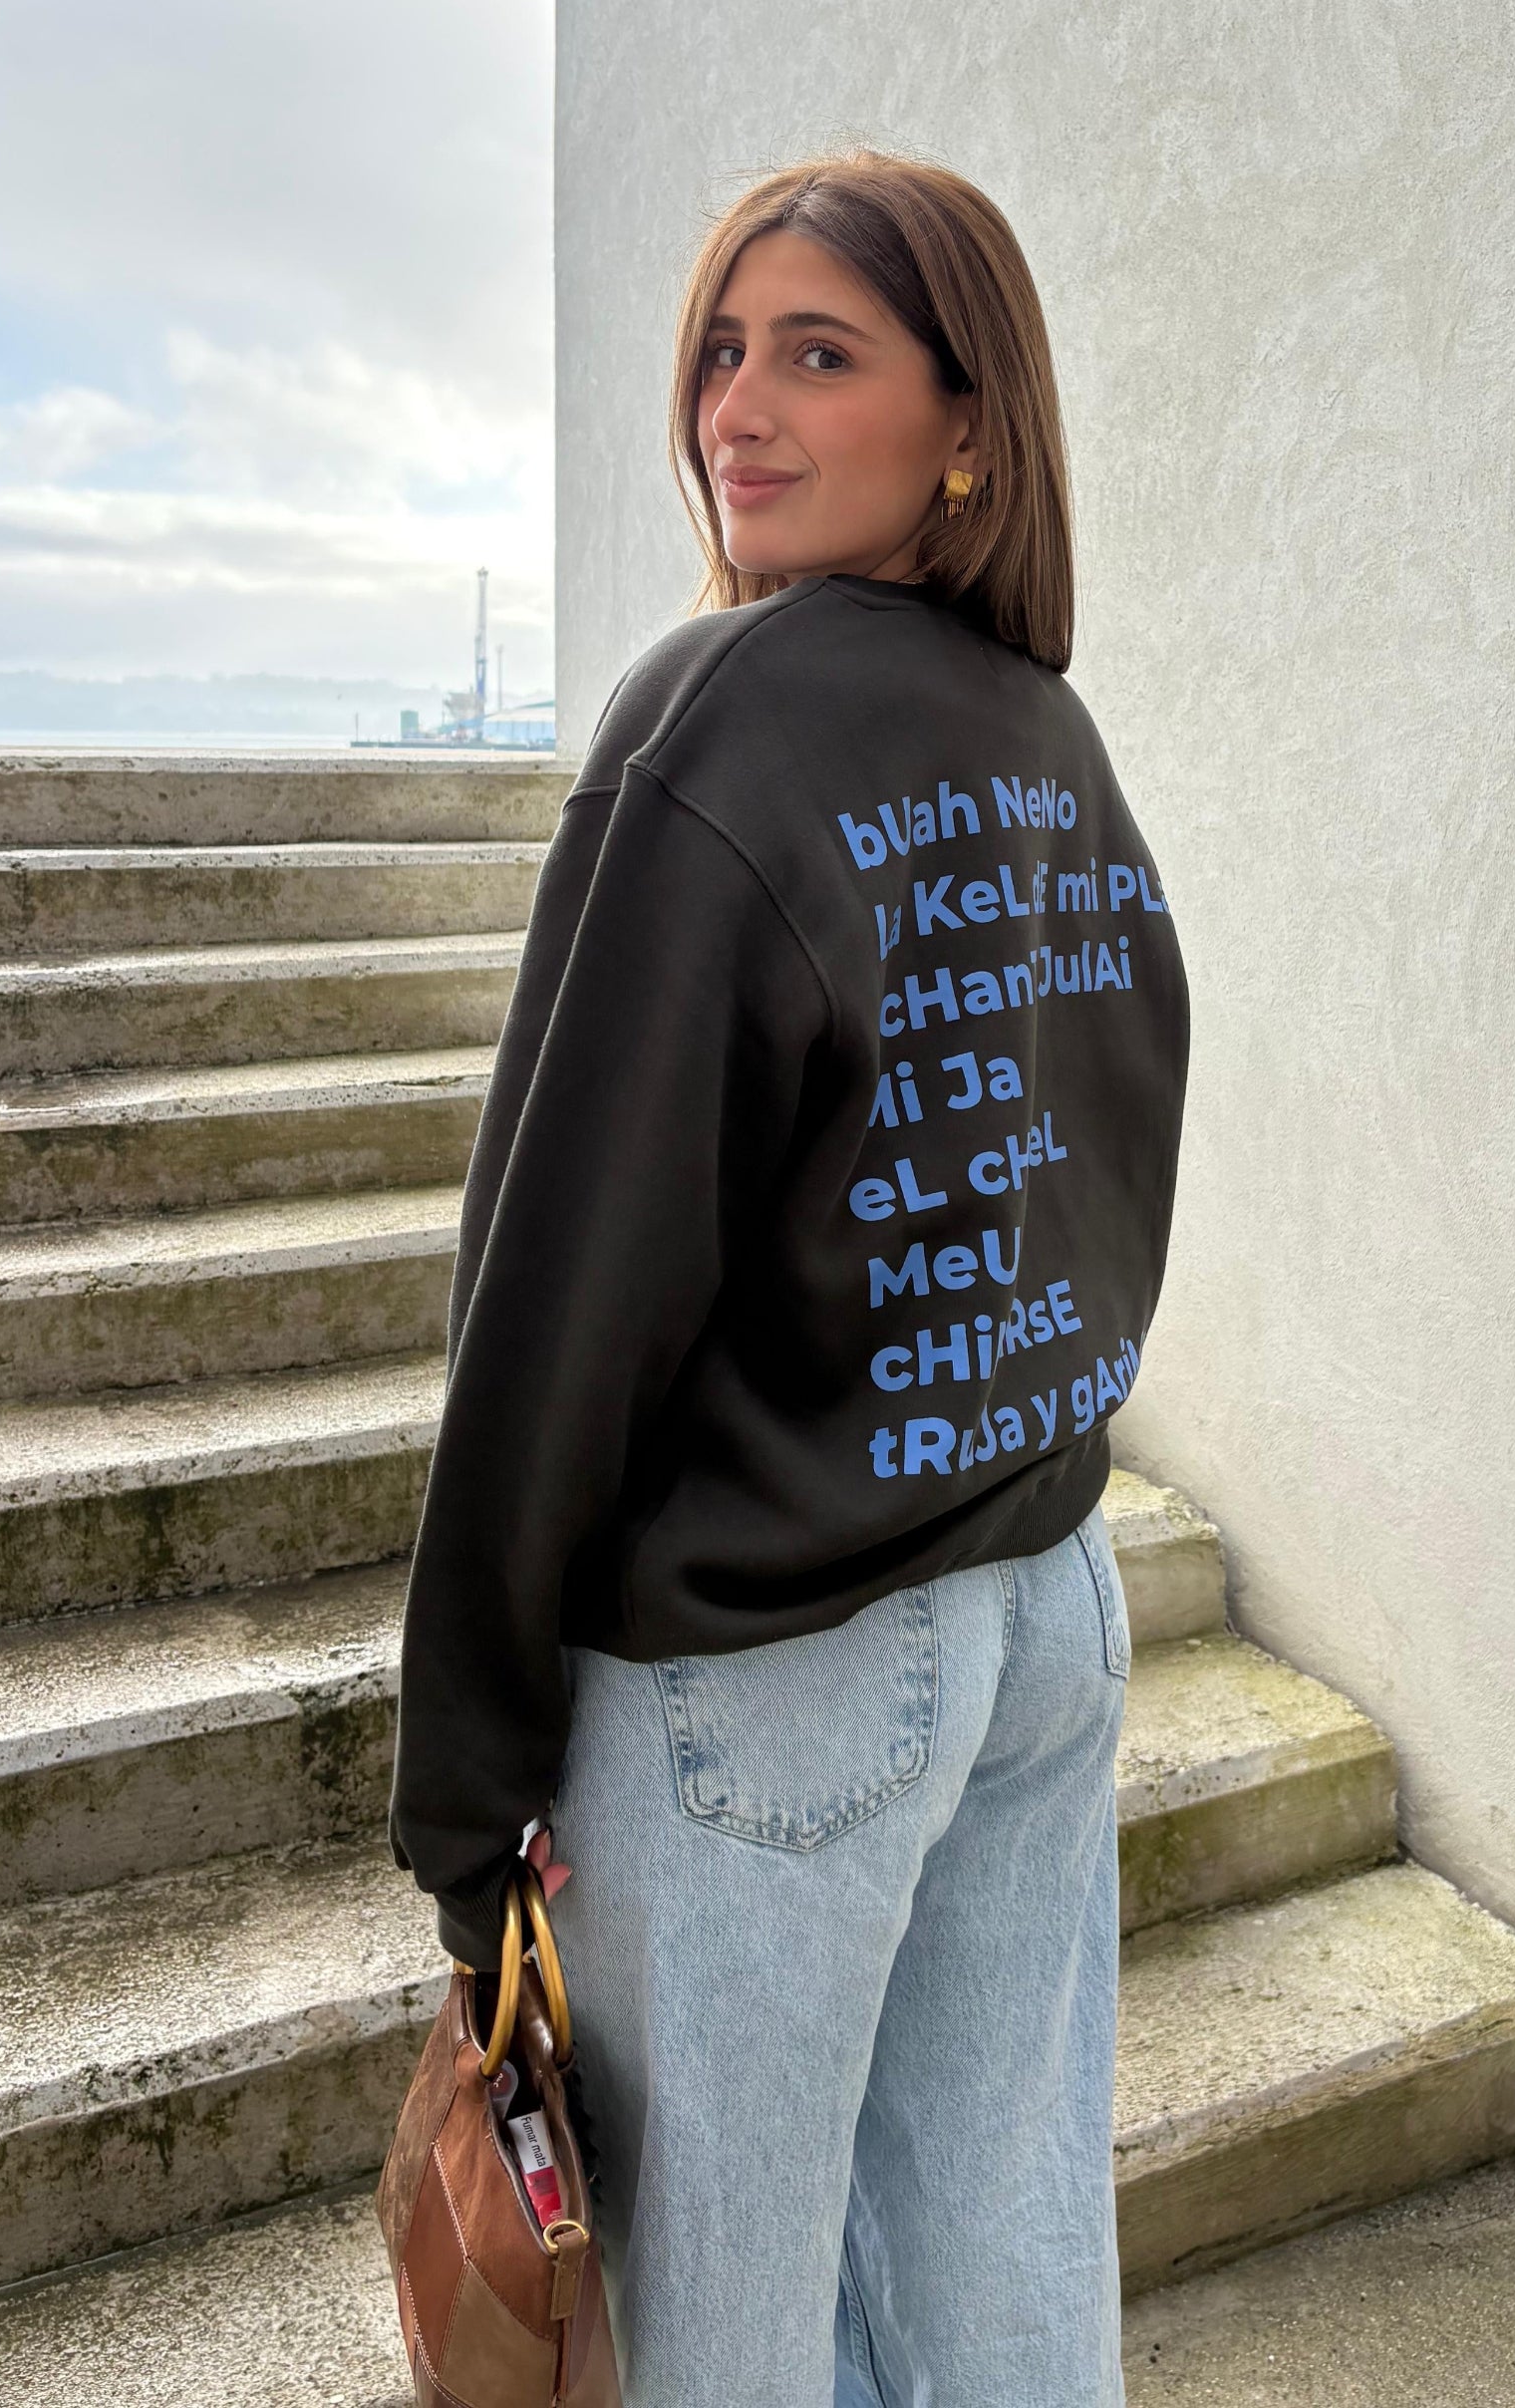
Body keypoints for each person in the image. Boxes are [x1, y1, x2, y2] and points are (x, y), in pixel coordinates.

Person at [391, 150, 1191, 2408]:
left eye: (816, 355)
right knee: (998, 2288)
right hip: (1040, 1620)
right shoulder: (1044, 737)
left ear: (968, 420)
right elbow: (1112, 1146)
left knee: (714, 2346)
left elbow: (564, 1283)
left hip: (773, 1685)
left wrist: (467, 1791)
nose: (734, 410)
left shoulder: (722, 714)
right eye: (720, 353)